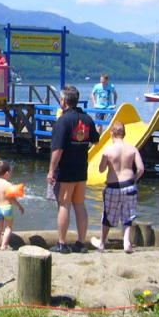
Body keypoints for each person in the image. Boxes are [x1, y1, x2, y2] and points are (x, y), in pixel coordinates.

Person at [47, 85, 100, 254]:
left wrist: (51, 171)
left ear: (63, 101)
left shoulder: (62, 122)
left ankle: (62, 243)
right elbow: (96, 140)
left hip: (66, 170)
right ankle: (81, 243)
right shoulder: (87, 119)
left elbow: (57, 150)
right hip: (81, 169)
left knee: (64, 205)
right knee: (80, 205)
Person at [91, 122, 145, 253]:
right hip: (129, 186)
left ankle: (102, 243)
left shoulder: (108, 150)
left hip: (113, 187)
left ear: (112, 134)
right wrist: (134, 180)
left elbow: (101, 169)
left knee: (108, 216)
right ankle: (127, 243)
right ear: (124, 134)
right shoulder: (132, 149)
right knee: (128, 215)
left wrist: (106, 162)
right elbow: (141, 169)